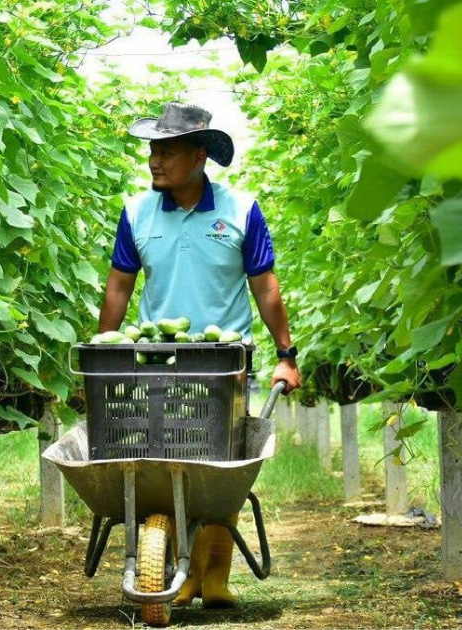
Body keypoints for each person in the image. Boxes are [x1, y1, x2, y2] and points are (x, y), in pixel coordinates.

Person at [97, 101, 302, 608]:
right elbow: (120, 287)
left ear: (198, 155)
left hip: (223, 365)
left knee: (217, 468)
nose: (154, 161)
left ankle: (213, 577)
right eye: (151, 150)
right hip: (155, 363)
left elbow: (265, 288)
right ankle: (176, 569)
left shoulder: (240, 210)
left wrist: (287, 354)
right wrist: (106, 352)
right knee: (166, 461)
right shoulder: (137, 211)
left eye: (166, 151)